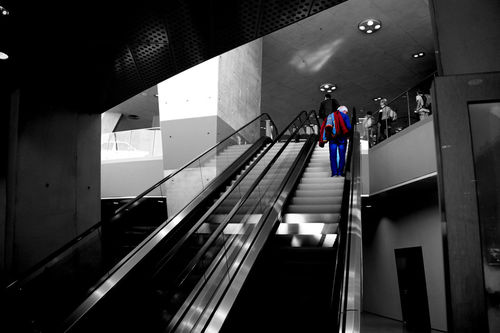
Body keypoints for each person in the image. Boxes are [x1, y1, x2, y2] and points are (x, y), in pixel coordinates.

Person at [321, 105, 351, 177]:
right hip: (342, 139)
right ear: (343, 111)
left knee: (332, 156)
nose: (346, 113)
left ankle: (334, 173)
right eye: (346, 112)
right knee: (342, 155)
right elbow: (349, 127)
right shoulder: (345, 116)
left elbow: (326, 127)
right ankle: (340, 172)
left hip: (332, 139)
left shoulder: (330, 115)